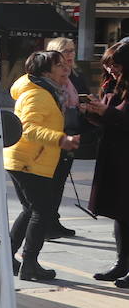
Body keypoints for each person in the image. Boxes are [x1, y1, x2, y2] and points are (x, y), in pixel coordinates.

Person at [5, 50, 80, 281]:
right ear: (45, 71)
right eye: (59, 65)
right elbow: (29, 128)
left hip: (28, 159)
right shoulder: (37, 94)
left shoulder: (47, 91)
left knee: (32, 209)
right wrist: (60, 139)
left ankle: (8, 259)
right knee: (42, 210)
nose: (65, 68)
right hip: (29, 160)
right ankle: (29, 264)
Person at [81, 42, 129, 285]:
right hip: (115, 157)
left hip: (123, 157)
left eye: (116, 65)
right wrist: (91, 111)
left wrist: (105, 113)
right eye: (108, 65)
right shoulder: (112, 84)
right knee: (121, 214)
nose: (111, 70)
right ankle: (122, 263)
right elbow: (110, 118)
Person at [43, 37, 86, 239]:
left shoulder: (76, 75)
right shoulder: (47, 78)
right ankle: (44, 224)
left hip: (70, 132)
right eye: (65, 51)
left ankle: (53, 220)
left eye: (72, 50)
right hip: (52, 136)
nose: (70, 55)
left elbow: (83, 95)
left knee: (60, 181)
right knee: (50, 183)